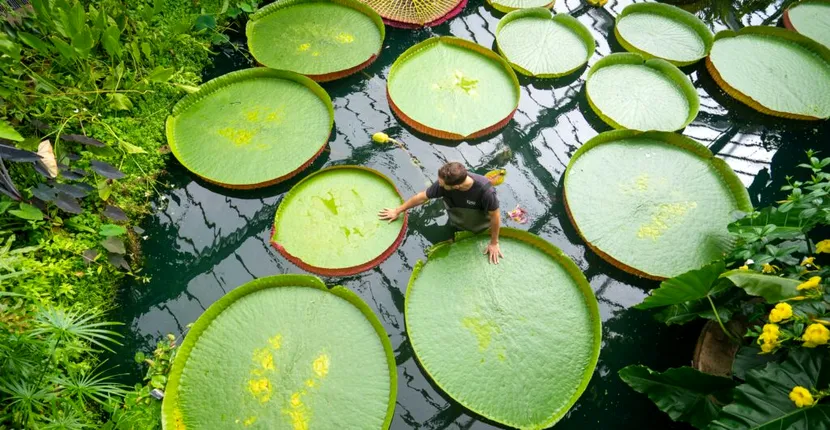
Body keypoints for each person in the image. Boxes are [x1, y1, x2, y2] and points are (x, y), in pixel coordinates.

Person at [378, 162, 503, 264]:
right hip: (456, 222)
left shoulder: (485, 192)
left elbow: (495, 216)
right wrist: (397, 210)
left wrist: (494, 242)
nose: (439, 184)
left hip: (479, 227)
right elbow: (422, 197)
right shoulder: (444, 183)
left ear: (457, 187)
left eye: (442, 184)